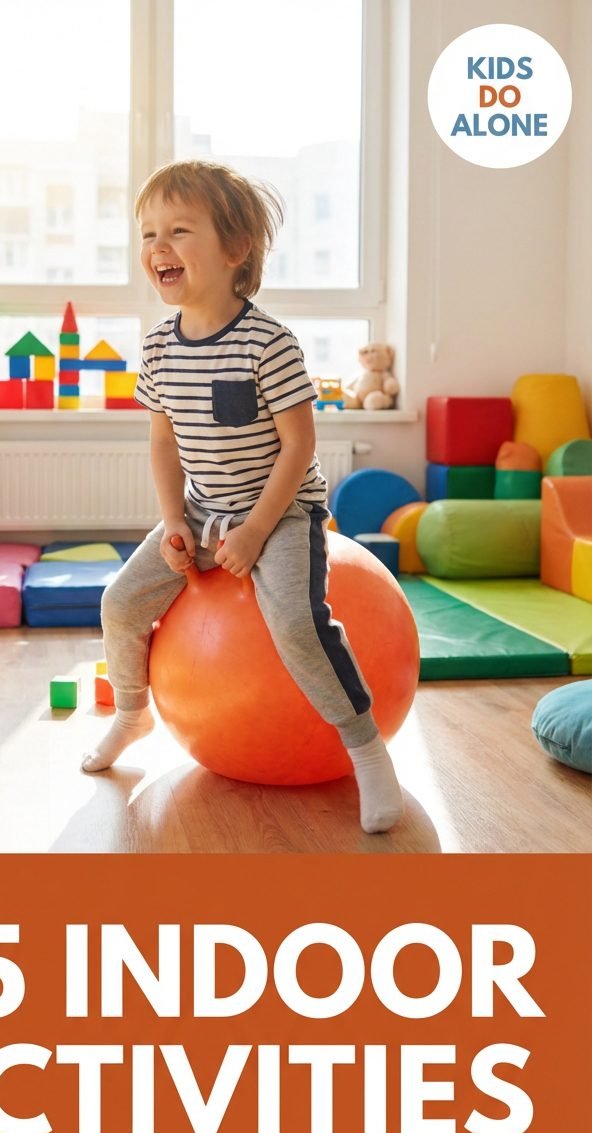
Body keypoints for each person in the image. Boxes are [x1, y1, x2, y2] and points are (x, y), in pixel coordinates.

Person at [82, 159, 403, 834]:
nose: (158, 246)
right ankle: (133, 713)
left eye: (178, 231)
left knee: (296, 622)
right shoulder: (159, 348)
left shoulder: (269, 343)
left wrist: (256, 530)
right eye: (148, 234)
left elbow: (299, 445)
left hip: (281, 511)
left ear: (235, 249)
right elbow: (163, 442)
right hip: (202, 509)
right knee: (120, 602)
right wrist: (173, 520)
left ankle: (366, 749)